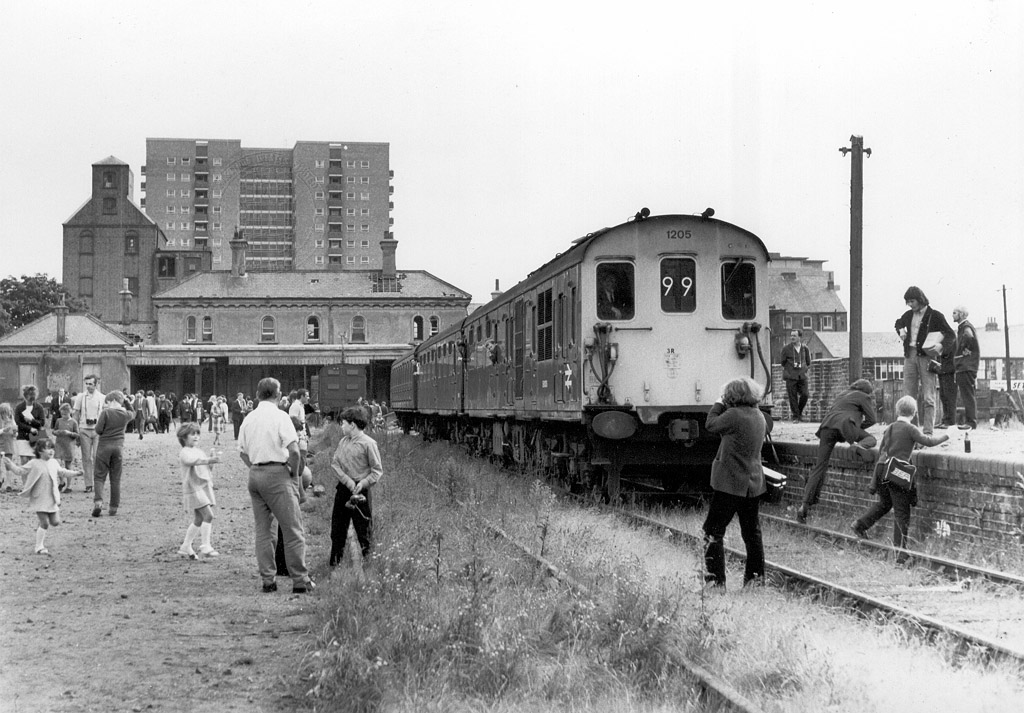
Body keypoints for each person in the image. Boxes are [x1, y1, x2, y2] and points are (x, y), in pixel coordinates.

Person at [237, 377, 314, 594]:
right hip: (278, 474)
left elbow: (242, 452)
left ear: (257, 395)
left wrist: (255, 467)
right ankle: (300, 580)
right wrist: (294, 474)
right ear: (278, 395)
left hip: (255, 475)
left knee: (264, 531)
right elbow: (294, 451)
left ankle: (268, 580)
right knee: (293, 529)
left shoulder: (248, 419)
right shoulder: (281, 416)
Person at [852, 395, 948, 561]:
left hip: (882, 469)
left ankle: (860, 525)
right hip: (896, 472)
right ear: (914, 413)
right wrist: (947, 436)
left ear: (897, 411)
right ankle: (900, 554)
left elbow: (881, 452)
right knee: (902, 512)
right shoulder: (910, 429)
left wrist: (874, 482)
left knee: (885, 503)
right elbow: (928, 441)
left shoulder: (889, 428)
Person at [701, 377, 772, 588]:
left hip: (730, 483)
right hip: (753, 483)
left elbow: (710, 424)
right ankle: (755, 581)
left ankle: (716, 582)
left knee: (712, 531)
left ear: (731, 396)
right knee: (752, 533)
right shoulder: (759, 416)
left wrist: (718, 403)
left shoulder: (733, 415)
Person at [797, 378, 878, 524]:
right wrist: (857, 429)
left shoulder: (842, 394)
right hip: (846, 425)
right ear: (867, 391)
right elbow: (872, 419)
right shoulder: (863, 396)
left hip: (826, 427)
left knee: (820, 466)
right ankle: (860, 446)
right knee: (871, 439)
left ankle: (804, 505)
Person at [894, 286, 955, 435]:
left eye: (912, 301)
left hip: (927, 358)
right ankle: (912, 432)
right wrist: (901, 330)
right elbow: (898, 322)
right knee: (908, 396)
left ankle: (928, 433)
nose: (910, 305)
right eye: (908, 302)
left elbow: (951, 335)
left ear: (920, 299)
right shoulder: (908, 315)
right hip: (909, 356)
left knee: (928, 396)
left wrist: (941, 346)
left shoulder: (935, 315)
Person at [3, 438, 80, 554]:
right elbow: (20, 471)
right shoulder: (34, 463)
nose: (51, 451)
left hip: (52, 498)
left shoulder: (54, 462)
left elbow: (62, 472)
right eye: (47, 448)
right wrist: (10, 464)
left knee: (55, 522)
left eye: (52, 448)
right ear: (39, 451)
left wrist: (76, 473)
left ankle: (41, 526)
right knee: (45, 523)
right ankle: (39, 546)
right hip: (39, 498)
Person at [329, 406, 384, 567]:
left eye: (343, 423)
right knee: (337, 529)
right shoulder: (343, 442)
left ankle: (369, 564)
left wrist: (362, 483)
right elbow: (335, 464)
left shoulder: (369, 444)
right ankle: (335, 564)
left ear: (352, 425)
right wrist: (348, 481)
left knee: (364, 530)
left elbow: (377, 470)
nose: (341, 426)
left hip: (361, 493)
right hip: (343, 490)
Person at [176, 422, 220, 559]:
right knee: (209, 515)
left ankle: (186, 546)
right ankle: (205, 545)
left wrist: (211, 461)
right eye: (192, 434)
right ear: (184, 437)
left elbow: (206, 468)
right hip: (193, 488)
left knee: (199, 518)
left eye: (197, 434)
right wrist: (208, 460)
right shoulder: (184, 452)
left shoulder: (199, 451)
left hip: (202, 486)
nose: (196, 437)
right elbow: (193, 461)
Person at [92, 390, 135, 518]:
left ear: (113, 401)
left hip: (104, 447)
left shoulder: (106, 413)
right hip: (118, 447)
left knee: (99, 476)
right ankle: (113, 508)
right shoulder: (126, 414)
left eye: (108, 402)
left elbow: (98, 430)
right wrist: (126, 401)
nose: (106, 404)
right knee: (115, 479)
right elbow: (133, 412)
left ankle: (98, 502)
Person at [73, 374, 104, 494]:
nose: (88, 386)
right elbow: (75, 414)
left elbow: (105, 415)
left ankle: (98, 483)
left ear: (96, 384)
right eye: (87, 384)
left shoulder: (102, 397)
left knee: (97, 457)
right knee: (86, 458)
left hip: (97, 430)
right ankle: (88, 484)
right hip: (84, 429)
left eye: (91, 384)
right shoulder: (80, 397)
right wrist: (75, 430)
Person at [952, 305, 979, 430]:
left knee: (967, 394)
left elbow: (968, 337)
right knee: (968, 394)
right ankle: (971, 422)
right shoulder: (964, 327)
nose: (952, 315)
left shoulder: (965, 327)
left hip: (966, 366)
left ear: (961, 314)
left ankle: (971, 423)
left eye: (955, 313)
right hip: (966, 366)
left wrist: (964, 349)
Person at [779, 330, 811, 422]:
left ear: (799, 337)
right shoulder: (786, 349)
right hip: (791, 376)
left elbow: (808, 362)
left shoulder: (805, 349)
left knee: (805, 394)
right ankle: (796, 416)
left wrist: (804, 369)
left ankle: (799, 412)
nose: (792, 337)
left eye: (794, 336)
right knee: (792, 397)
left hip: (802, 376)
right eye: (791, 336)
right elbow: (783, 362)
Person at [14, 385, 47, 464]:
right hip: (23, 436)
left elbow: (42, 422)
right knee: (24, 461)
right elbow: (18, 422)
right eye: (29, 400)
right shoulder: (19, 407)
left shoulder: (39, 407)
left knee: (34, 461)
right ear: (25, 397)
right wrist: (30, 429)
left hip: (36, 437)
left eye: (33, 400)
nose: (31, 402)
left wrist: (32, 420)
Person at [53, 403, 79, 492]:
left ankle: (69, 485)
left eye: (65, 414)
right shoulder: (58, 421)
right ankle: (61, 481)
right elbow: (54, 430)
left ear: (70, 412)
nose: (63, 416)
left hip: (69, 446)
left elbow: (77, 434)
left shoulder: (74, 422)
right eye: (62, 414)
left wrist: (69, 433)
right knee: (57, 464)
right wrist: (57, 432)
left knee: (68, 465)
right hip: (59, 444)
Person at [936, 332, 957, 429]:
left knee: (949, 396)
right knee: (943, 395)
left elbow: (945, 352)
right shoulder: (944, 338)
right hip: (943, 370)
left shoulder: (951, 338)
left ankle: (950, 421)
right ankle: (945, 420)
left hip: (950, 371)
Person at [0, 403, 18, 491]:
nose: (6, 415)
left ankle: (8, 484)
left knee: (8, 464)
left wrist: (15, 433)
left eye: (8, 412)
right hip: (1, 443)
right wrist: (3, 430)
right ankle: (1, 479)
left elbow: (15, 434)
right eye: (4, 413)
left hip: (8, 444)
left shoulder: (12, 421)